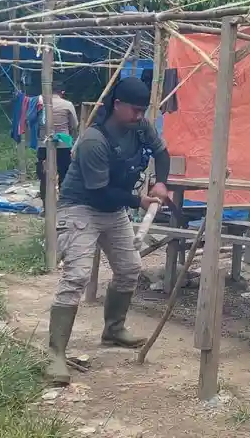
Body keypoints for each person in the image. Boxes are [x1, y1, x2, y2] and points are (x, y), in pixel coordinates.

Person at [45, 77, 172, 385]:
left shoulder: (140, 126)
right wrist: (139, 200)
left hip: (112, 208)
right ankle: (55, 354)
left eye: (143, 111)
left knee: (130, 269)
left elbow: (162, 152)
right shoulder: (93, 141)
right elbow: (99, 192)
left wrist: (161, 182)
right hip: (81, 207)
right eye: (134, 110)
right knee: (76, 276)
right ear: (117, 105)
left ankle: (113, 330)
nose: (140, 116)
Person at [37, 81, 79, 204]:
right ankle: (63, 203)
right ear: (62, 92)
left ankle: (46, 205)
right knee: (64, 174)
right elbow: (74, 125)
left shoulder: (41, 104)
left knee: (44, 175)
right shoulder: (67, 105)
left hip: (44, 143)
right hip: (63, 144)